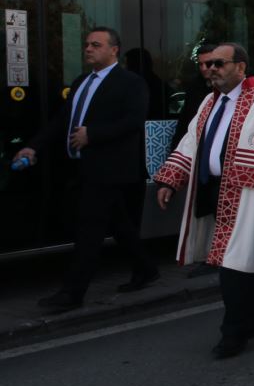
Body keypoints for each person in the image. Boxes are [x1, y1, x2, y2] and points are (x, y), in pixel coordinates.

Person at [153, 43, 254, 358]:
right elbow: (191, 142)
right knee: (238, 265)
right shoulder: (207, 103)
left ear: (240, 67)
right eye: (206, 64)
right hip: (212, 190)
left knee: (232, 266)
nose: (210, 69)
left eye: (218, 63)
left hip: (248, 194)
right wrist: (170, 180)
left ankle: (233, 332)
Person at [17, 27, 154, 312]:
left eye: (96, 44)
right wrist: (33, 147)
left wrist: (94, 135)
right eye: (87, 44)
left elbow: (133, 121)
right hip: (82, 168)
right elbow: (60, 122)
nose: (88, 49)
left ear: (114, 49)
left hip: (110, 169)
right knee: (118, 224)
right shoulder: (81, 82)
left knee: (89, 231)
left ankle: (72, 293)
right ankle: (146, 268)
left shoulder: (131, 83)